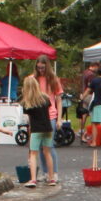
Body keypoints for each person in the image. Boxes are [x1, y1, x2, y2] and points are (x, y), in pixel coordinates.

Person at [20, 74, 56, 188]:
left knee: (33, 154)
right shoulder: (45, 98)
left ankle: (33, 179)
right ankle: (51, 178)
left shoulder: (28, 102)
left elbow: (29, 118)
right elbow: (48, 109)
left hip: (36, 130)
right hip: (48, 128)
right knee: (47, 153)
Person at [33, 54, 63, 182]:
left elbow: (59, 100)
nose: (41, 70)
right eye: (39, 68)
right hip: (37, 115)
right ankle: (46, 172)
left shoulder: (53, 79)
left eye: (43, 68)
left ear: (47, 67)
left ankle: (54, 172)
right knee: (39, 146)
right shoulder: (33, 79)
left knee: (49, 146)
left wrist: (59, 119)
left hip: (50, 115)